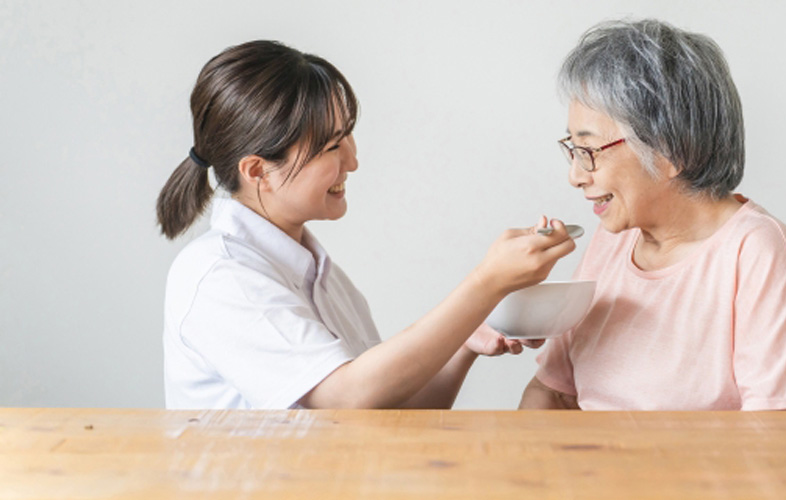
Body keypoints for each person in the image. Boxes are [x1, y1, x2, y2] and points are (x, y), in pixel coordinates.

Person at [156, 40, 575, 410]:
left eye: (349, 136)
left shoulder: (322, 277)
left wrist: (466, 340)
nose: (352, 161)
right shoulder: (220, 278)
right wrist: (488, 282)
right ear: (258, 170)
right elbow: (347, 398)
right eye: (332, 146)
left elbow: (388, 410)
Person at [516, 20, 786, 410]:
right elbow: (552, 390)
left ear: (671, 151)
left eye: (590, 151)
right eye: (573, 149)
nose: (575, 176)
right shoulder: (611, 240)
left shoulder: (756, 252)